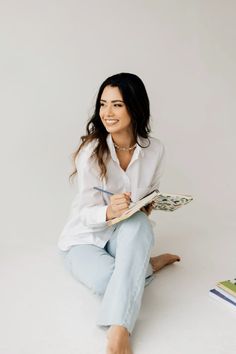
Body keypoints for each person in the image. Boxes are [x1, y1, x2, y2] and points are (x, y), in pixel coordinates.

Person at [58, 72, 180, 354]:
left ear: (135, 107)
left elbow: (147, 196)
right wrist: (108, 211)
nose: (107, 113)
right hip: (84, 238)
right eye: (103, 104)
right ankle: (146, 266)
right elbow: (84, 213)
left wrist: (145, 204)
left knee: (139, 224)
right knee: (106, 281)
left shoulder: (155, 150)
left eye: (117, 104)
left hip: (126, 233)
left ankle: (119, 330)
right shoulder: (90, 152)